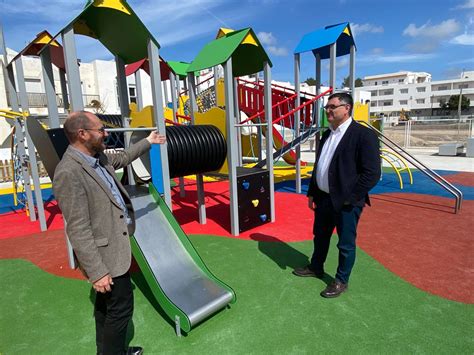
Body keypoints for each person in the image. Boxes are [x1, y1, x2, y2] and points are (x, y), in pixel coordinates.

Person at [53, 111, 166, 354]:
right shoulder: (69, 172)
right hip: (106, 256)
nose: (105, 134)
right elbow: (78, 228)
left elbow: (124, 157)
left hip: (115, 243)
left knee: (105, 308)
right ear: (82, 134)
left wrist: (149, 141)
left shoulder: (98, 157)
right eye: (100, 130)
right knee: (121, 309)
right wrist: (97, 272)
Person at [293, 92, 381, 298]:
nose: (328, 110)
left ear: (346, 108)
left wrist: (350, 198)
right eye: (327, 107)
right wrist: (313, 192)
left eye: (332, 107)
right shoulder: (327, 134)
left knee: (345, 243)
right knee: (320, 236)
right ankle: (316, 267)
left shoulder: (363, 135)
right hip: (324, 199)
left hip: (346, 203)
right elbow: (320, 167)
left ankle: (341, 280)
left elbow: (372, 173)